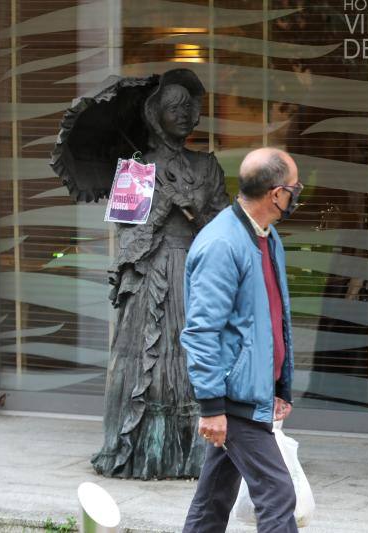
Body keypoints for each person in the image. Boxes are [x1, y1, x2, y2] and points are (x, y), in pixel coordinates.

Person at [92, 70, 229, 480]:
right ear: (156, 116)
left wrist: (199, 211)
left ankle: (197, 450)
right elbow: (127, 236)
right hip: (153, 274)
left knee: (197, 357)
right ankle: (142, 450)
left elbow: (225, 226)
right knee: (150, 362)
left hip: (198, 274)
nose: (185, 114)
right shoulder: (134, 169)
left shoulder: (207, 166)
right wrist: (161, 208)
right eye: (174, 107)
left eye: (190, 106)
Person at [181, 147, 302, 533]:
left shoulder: (267, 237)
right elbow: (202, 332)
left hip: (249, 391)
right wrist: (212, 406)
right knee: (277, 492)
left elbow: (269, 318)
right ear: (276, 193)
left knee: (214, 496)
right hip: (234, 399)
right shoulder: (221, 244)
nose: (298, 193)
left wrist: (279, 386)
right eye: (295, 187)